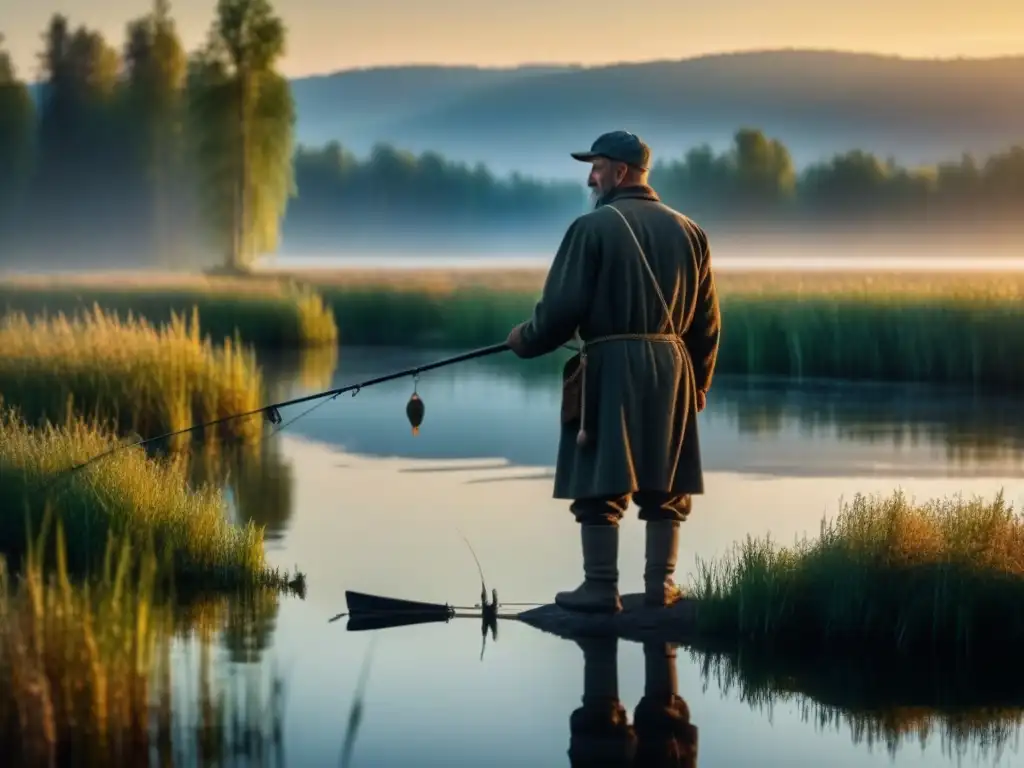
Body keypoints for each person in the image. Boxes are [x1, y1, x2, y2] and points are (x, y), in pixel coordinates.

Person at [506, 130, 721, 614]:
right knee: (665, 482)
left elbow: (559, 311)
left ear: (620, 172)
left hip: (611, 365)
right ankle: (659, 588)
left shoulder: (592, 228)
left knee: (600, 477)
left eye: (597, 166)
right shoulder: (691, 231)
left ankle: (601, 587)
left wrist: (525, 339)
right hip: (674, 368)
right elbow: (708, 323)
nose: (590, 176)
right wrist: (699, 384)